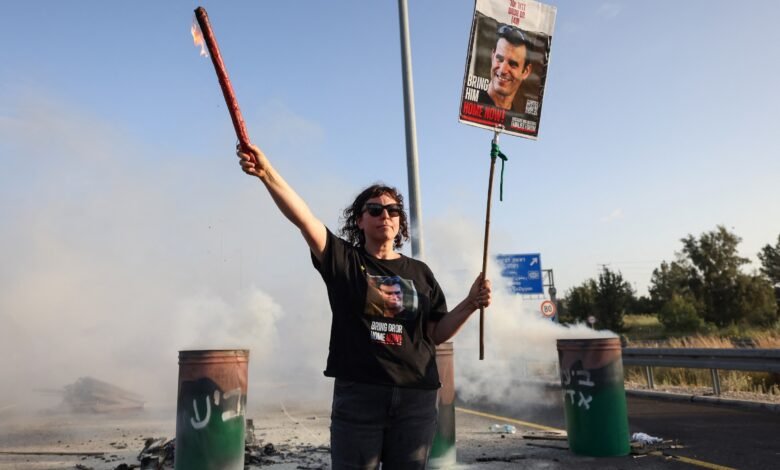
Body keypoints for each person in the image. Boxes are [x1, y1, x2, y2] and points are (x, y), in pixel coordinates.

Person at [236, 144, 492, 469]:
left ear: (400, 222)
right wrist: (266, 173)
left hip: (416, 398)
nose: (385, 215)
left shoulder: (420, 272)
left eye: (393, 210)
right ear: (359, 220)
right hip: (360, 398)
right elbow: (304, 219)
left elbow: (435, 333)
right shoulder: (344, 260)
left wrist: (470, 303)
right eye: (374, 210)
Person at [478, 24, 533, 111]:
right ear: (492, 56)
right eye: (499, 59)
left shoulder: (516, 122)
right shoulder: (471, 102)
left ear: (526, 71)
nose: (503, 70)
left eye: (512, 64)